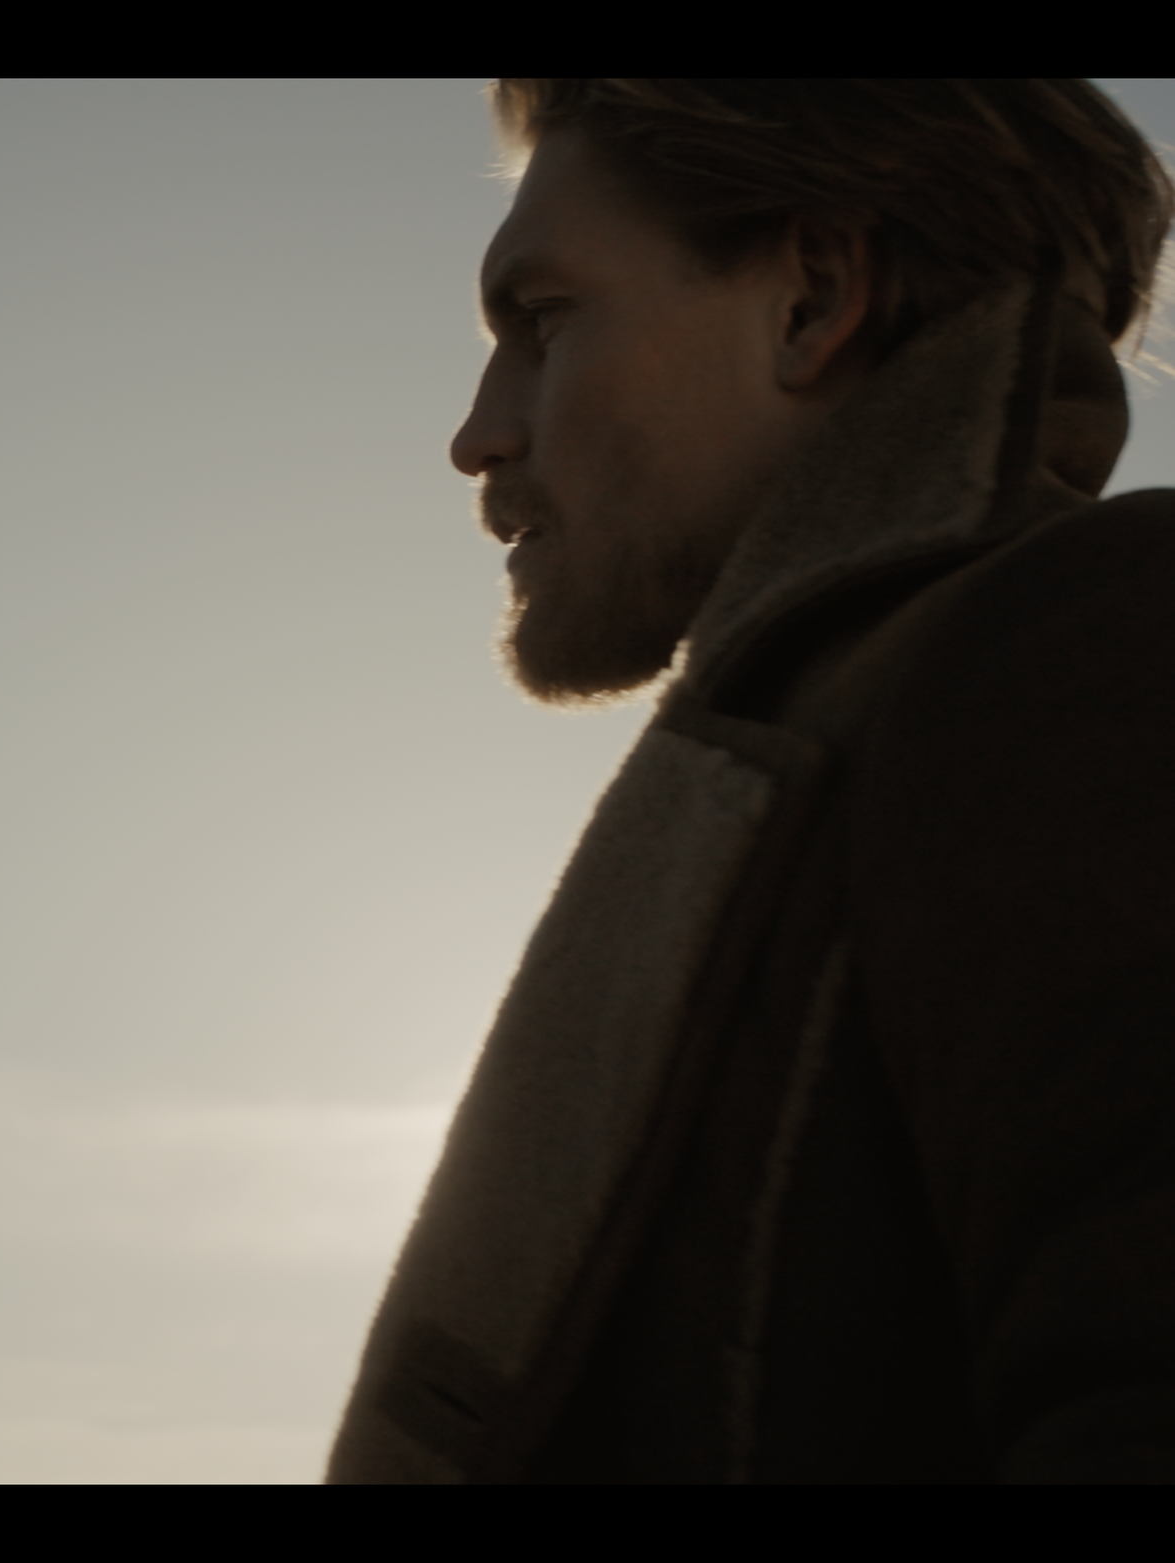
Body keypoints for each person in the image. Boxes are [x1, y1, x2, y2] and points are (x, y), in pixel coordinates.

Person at [328, 80, 1175, 1482]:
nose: (478, 433)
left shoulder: (1092, 647)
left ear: (813, 298)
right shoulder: (877, 717)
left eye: (543, 319)